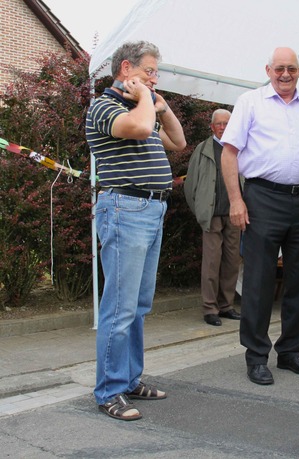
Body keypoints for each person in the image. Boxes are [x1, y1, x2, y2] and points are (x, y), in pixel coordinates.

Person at [86, 41, 186, 420]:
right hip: (124, 209)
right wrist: (146, 99)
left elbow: (178, 142)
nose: (153, 78)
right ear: (125, 68)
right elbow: (142, 128)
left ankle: (128, 379)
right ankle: (108, 391)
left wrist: (161, 104)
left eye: (156, 72)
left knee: (138, 306)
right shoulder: (104, 107)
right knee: (119, 307)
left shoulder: (142, 107)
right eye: (148, 71)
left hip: (150, 209)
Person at [220, 47, 299, 386]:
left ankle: (290, 352)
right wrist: (236, 200)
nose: (285, 75)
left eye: (291, 69)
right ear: (268, 70)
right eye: (279, 69)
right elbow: (229, 153)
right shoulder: (250, 102)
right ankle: (256, 357)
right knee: (258, 282)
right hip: (262, 199)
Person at [184, 109, 241, 327]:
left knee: (231, 262)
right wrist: (200, 211)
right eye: (218, 123)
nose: (223, 127)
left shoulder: (237, 148)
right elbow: (190, 185)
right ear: (211, 127)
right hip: (211, 216)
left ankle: (226, 306)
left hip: (234, 214)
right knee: (211, 262)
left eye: (227, 123)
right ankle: (210, 308)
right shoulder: (202, 149)